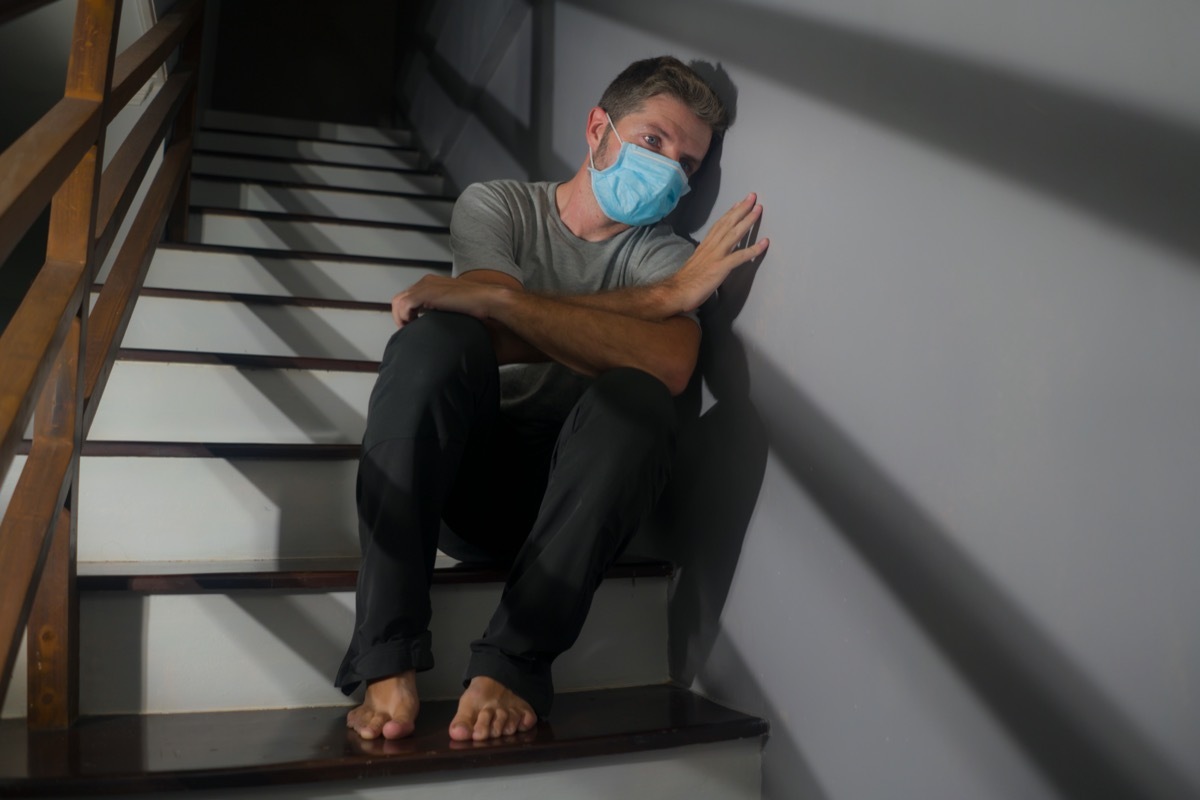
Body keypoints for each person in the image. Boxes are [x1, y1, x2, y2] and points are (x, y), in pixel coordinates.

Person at [337, 56, 768, 743]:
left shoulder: (667, 255)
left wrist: (515, 306)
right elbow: (476, 328)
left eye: (688, 163)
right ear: (598, 125)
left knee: (640, 395)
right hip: (468, 482)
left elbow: (671, 362)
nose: (670, 172)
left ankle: (513, 663)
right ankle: (384, 654)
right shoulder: (500, 206)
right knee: (432, 344)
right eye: (653, 140)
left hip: (580, 494)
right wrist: (647, 307)